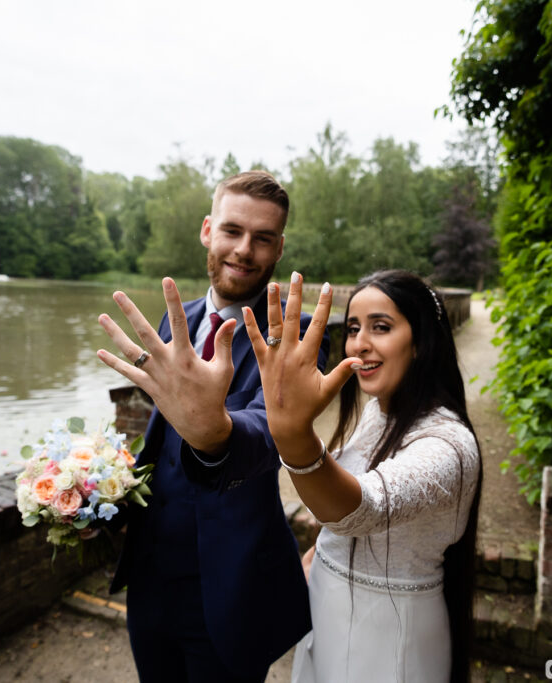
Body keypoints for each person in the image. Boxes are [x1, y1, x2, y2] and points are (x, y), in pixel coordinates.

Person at [95, 171, 328, 682]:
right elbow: (158, 433)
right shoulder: (175, 321)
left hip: (231, 586)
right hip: (150, 578)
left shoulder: (297, 333)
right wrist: (98, 490)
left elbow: (271, 434)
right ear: (207, 230)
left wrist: (215, 433)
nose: (244, 250)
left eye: (263, 238)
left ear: (279, 248)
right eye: (232, 231)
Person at [242, 269, 482, 683]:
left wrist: (294, 434)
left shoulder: (450, 447)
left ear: (422, 341)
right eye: (353, 328)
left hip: (388, 633)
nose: (359, 343)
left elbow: (366, 507)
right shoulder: (380, 410)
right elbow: (347, 504)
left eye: (381, 327)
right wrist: (323, 553)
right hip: (327, 608)